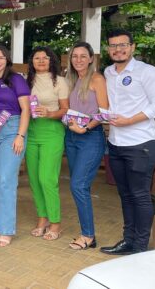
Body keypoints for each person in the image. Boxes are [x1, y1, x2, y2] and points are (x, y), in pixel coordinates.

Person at [101, 29, 155, 255]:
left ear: (132, 47)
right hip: (116, 143)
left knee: (140, 195)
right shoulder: (108, 72)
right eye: (113, 46)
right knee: (125, 195)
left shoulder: (147, 71)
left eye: (123, 45)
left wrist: (129, 120)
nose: (118, 49)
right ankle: (128, 240)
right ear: (108, 49)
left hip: (141, 143)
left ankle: (140, 248)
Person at [0, 45, 30, 247]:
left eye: (1, 57)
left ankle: (6, 229)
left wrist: (20, 136)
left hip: (12, 129)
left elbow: (26, 109)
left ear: (7, 59)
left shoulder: (16, 79)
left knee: (5, 179)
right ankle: (0, 222)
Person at [64, 41, 109, 251]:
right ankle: (88, 233)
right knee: (81, 186)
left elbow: (104, 112)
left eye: (83, 56)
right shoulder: (72, 80)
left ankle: (88, 235)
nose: (78, 60)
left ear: (91, 58)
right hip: (72, 138)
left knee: (78, 185)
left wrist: (86, 128)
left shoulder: (97, 79)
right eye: (75, 56)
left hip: (90, 138)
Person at [26, 46, 69, 241]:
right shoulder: (26, 81)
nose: (41, 61)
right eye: (37, 58)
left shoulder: (60, 81)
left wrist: (50, 113)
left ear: (51, 60)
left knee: (47, 178)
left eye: (45, 58)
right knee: (34, 179)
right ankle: (42, 218)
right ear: (32, 62)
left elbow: (65, 109)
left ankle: (55, 222)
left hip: (52, 131)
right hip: (31, 131)